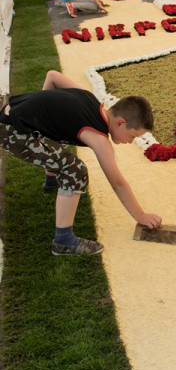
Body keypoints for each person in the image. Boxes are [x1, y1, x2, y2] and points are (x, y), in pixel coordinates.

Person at [0, 70, 162, 257]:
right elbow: (117, 183)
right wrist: (141, 216)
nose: (130, 141)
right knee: (75, 170)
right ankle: (63, 242)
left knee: (61, 152)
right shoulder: (99, 138)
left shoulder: (91, 100)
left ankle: (52, 182)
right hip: (13, 130)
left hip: (10, 111)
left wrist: (44, 123)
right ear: (120, 122)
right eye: (132, 136)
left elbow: (52, 76)